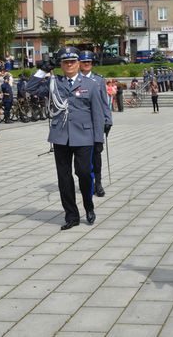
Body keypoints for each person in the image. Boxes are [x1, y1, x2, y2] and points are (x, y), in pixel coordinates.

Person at [26, 48, 105, 230]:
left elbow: (97, 113)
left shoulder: (91, 84)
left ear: (78, 63)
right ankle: (71, 215)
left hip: (84, 136)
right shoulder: (55, 83)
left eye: (72, 61)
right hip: (61, 136)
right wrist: (43, 70)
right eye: (65, 62)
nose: (69, 64)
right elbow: (29, 89)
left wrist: (98, 139)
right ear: (60, 65)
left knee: (84, 174)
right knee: (64, 178)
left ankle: (88, 206)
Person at [78, 50, 113, 198]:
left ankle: (98, 183)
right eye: (84, 62)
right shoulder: (76, 79)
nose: (87, 64)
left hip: (96, 123)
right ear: (79, 63)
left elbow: (105, 102)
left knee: (96, 155)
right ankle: (88, 182)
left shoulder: (98, 80)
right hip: (81, 125)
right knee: (82, 159)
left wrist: (108, 119)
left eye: (89, 62)